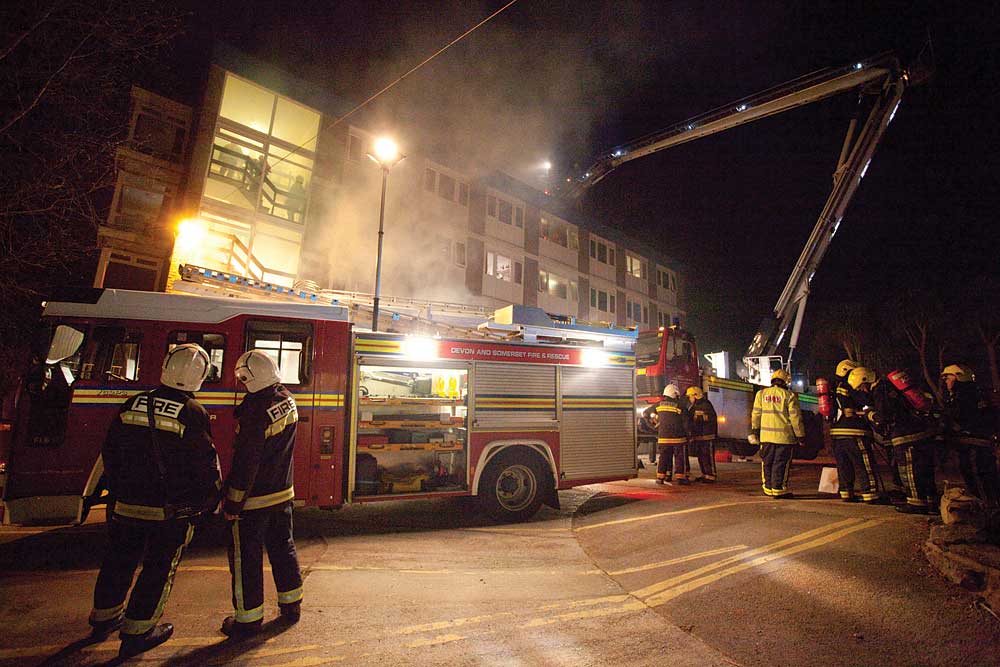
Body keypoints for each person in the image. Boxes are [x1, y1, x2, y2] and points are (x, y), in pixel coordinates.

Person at [89, 344, 221, 659]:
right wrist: (207, 502)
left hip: (126, 505)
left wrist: (119, 490)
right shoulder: (192, 412)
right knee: (158, 570)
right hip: (169, 511)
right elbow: (205, 465)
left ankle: (103, 618)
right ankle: (139, 632)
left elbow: (110, 452)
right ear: (199, 377)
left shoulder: (133, 403)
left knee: (117, 562)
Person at [221, 350, 303, 637]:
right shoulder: (286, 398)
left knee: (246, 558)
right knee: (284, 547)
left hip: (254, 500)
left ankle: (248, 620)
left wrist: (232, 502)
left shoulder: (255, 411)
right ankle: (292, 605)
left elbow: (246, 463)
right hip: (283, 493)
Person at [870, 371, 939, 514]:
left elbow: (884, 416)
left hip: (906, 436)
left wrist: (871, 415)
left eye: (860, 387)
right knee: (925, 470)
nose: (861, 390)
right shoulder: (895, 388)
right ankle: (931, 501)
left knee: (909, 471)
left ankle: (916, 503)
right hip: (922, 431)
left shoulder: (879, 391)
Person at [941, 364, 999, 506]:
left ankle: (989, 509)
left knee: (977, 476)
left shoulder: (964, 395)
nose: (946, 381)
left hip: (973, 446)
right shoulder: (973, 392)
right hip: (978, 444)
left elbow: (959, 418)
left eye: (948, 377)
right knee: (986, 476)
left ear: (959, 377)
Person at [830, 366, 884, 503]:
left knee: (844, 465)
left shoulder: (834, 388)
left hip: (837, 433)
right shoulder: (850, 386)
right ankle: (870, 494)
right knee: (864, 464)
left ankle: (846, 492)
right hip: (854, 432)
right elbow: (867, 402)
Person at [751, 368, 804, 498]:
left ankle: (768, 488)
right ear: (785, 382)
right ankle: (779, 489)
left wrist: (755, 430)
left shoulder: (761, 394)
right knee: (781, 463)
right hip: (784, 438)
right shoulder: (789, 396)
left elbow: (756, 415)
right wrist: (800, 435)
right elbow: (795, 418)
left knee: (767, 462)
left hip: (766, 438)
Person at [642, 384, 690, 485]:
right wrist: (688, 435)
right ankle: (680, 478)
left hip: (663, 437)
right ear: (675, 394)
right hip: (678, 438)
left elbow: (645, 413)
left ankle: (660, 477)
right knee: (679, 457)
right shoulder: (680, 406)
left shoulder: (658, 405)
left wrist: (653, 426)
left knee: (663, 457)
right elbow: (686, 422)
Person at [685, 386, 718, 482]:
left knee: (708, 456)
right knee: (701, 456)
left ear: (695, 396)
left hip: (707, 436)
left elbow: (709, 418)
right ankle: (705, 474)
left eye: (690, 396)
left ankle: (711, 475)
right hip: (699, 436)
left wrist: (697, 419)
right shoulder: (694, 406)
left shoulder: (705, 405)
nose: (689, 399)